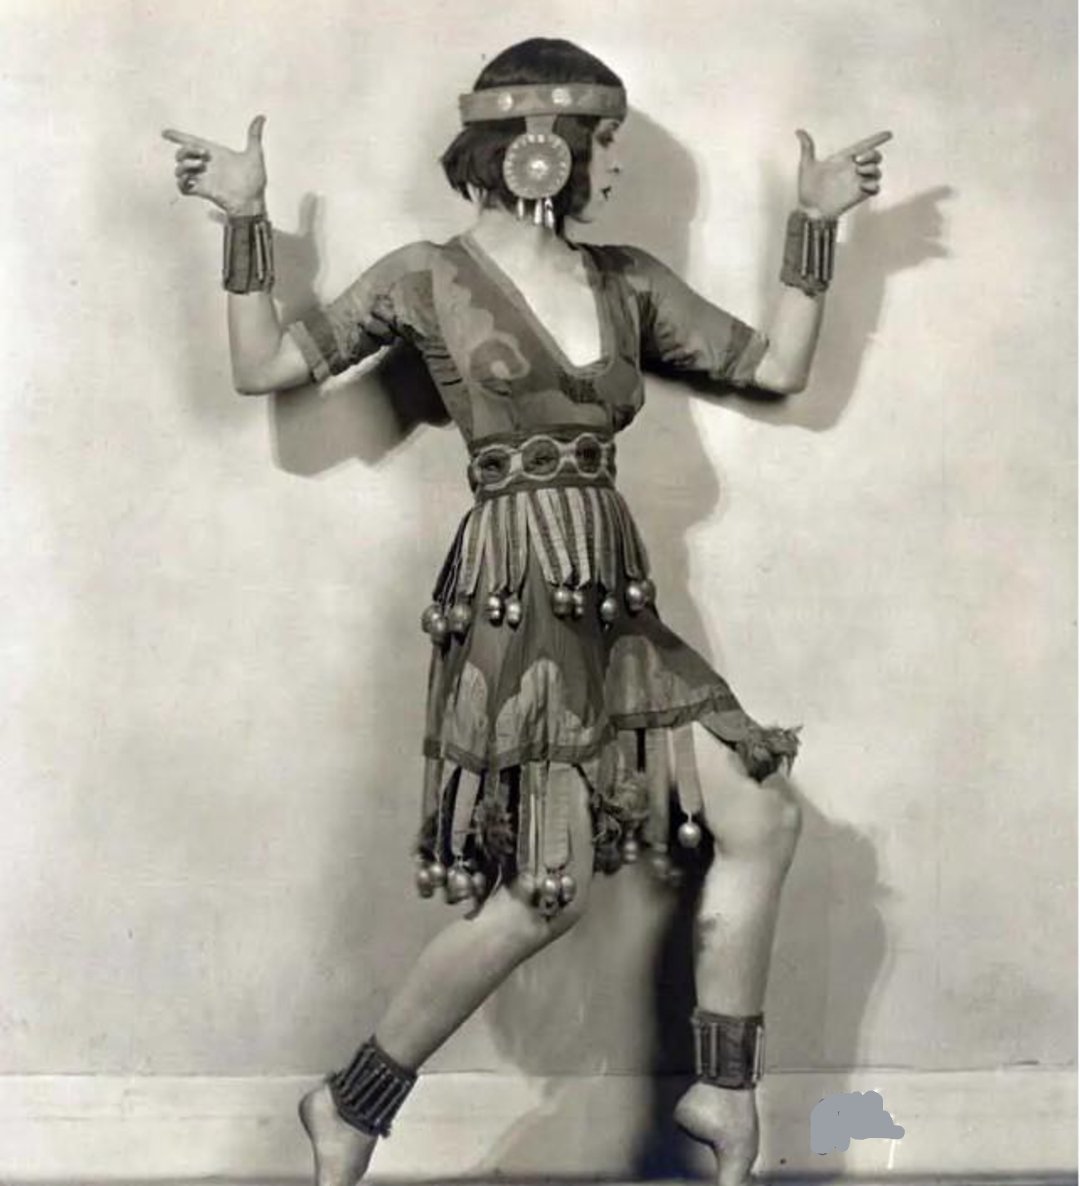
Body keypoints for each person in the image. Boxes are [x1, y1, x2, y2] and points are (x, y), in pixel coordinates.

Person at [163, 37, 889, 1186]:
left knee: (760, 815)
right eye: (604, 144)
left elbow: (777, 367)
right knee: (544, 893)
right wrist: (246, 220)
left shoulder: (624, 279)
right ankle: (349, 1104)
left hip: (615, 595)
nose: (614, 167)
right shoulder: (424, 276)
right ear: (537, 148)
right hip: (519, 599)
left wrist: (816, 223)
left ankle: (720, 1087)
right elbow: (265, 369)